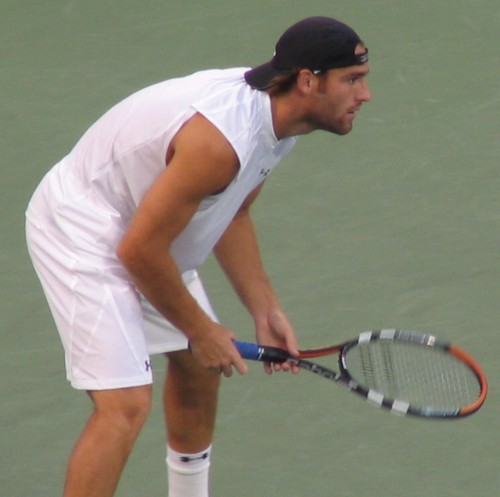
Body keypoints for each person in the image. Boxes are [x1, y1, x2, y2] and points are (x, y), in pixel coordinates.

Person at [25, 15, 371, 497]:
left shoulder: (281, 122)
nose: (365, 95)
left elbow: (234, 211)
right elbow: (138, 251)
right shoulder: (218, 141)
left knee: (198, 369)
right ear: (309, 82)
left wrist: (264, 308)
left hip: (147, 225)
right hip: (83, 226)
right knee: (124, 405)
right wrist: (200, 329)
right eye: (352, 81)